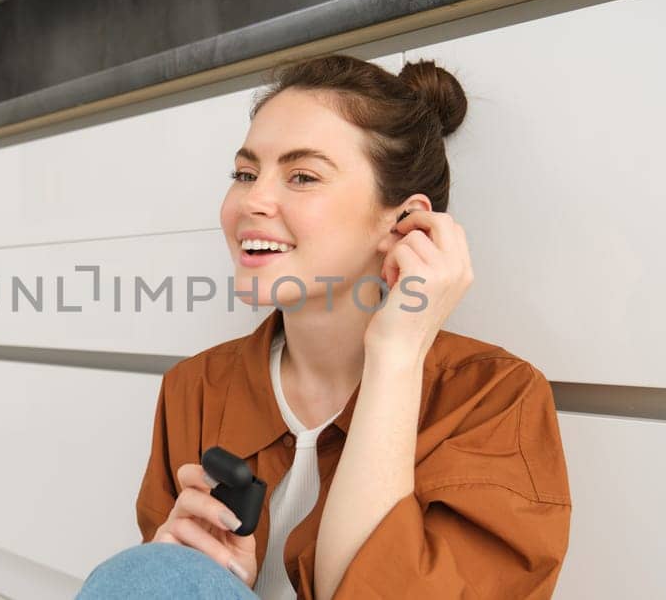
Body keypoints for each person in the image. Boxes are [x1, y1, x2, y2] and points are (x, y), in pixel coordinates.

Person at [79, 53, 571, 599]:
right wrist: (190, 576)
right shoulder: (194, 389)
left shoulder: (494, 400)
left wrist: (396, 354)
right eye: (245, 173)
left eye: (302, 176)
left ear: (403, 223)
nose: (252, 200)